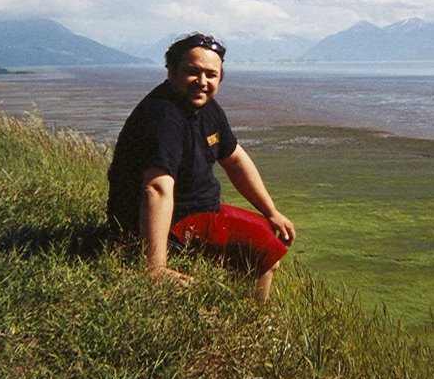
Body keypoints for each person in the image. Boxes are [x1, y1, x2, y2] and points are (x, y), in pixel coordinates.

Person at [106, 33, 296, 301]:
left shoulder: (207, 109)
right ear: (172, 71)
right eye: (192, 72)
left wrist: (271, 211)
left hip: (199, 210)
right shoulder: (163, 117)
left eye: (211, 74)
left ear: (220, 78)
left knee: (268, 240)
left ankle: (237, 305)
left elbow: (236, 160)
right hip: (171, 221)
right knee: (264, 249)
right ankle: (255, 324)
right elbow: (156, 188)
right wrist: (155, 269)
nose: (202, 82)